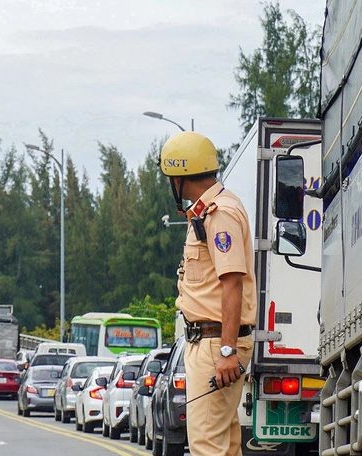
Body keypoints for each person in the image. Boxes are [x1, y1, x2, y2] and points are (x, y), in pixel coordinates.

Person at [159, 132, 256, 456]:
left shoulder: (220, 212)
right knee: (225, 447)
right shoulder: (209, 211)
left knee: (206, 446)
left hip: (216, 343)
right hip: (213, 341)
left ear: (180, 178)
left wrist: (227, 350)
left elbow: (232, 282)